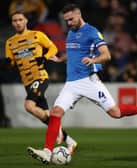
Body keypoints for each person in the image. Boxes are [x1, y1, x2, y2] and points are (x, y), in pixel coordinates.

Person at [27, 3, 137, 164]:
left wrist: (93, 59)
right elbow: (73, 54)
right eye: (66, 20)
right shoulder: (70, 33)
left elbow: (107, 55)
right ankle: (47, 151)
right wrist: (61, 58)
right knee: (56, 112)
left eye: (70, 19)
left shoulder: (91, 31)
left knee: (115, 113)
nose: (68, 23)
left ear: (79, 14)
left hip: (89, 81)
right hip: (71, 84)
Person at [2, 11, 77, 153]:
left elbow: (53, 47)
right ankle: (69, 141)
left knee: (29, 106)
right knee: (46, 116)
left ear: (25, 21)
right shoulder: (10, 42)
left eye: (20, 19)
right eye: (14, 20)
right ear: (12, 23)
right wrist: (7, 64)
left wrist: (44, 57)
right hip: (27, 82)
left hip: (40, 77)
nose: (17, 22)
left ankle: (54, 142)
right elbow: (10, 63)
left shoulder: (36, 35)